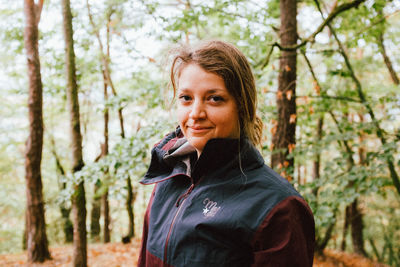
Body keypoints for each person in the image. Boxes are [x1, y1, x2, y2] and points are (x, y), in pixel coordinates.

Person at [138, 40, 315, 267]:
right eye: (186, 98)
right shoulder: (168, 178)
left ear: (242, 106)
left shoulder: (278, 207)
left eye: (214, 98)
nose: (195, 113)